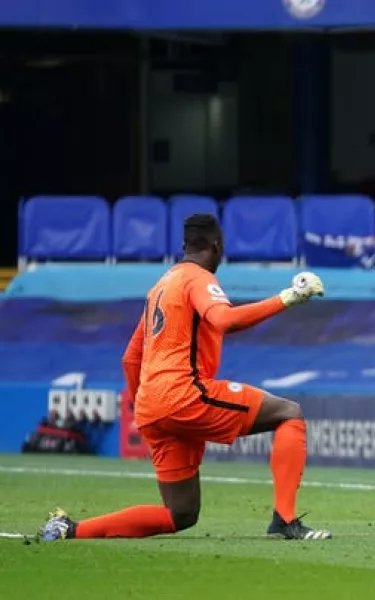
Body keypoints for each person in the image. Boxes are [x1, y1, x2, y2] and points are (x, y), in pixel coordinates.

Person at [41, 214, 331, 541]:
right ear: (217, 246)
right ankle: (285, 520)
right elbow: (223, 320)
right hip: (184, 394)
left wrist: (142, 408)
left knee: (181, 514)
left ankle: (72, 530)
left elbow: (131, 357)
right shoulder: (198, 278)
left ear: (184, 246)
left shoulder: (160, 287)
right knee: (288, 414)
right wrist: (287, 298)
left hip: (153, 408)